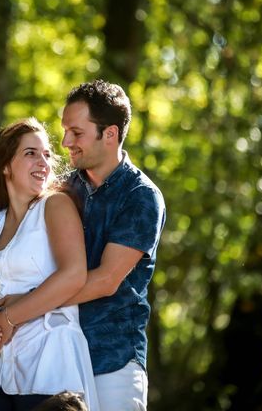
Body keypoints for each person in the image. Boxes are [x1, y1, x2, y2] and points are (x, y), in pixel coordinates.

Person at [0, 118, 99, 411]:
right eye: (31, 153)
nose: (44, 161)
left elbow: (73, 275)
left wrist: (8, 318)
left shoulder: (55, 206)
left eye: (47, 154)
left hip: (50, 367)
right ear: (5, 165)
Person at [59, 79, 166, 411]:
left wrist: (25, 304)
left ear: (110, 134)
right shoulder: (61, 190)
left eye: (76, 133)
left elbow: (106, 280)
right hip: (56, 355)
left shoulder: (142, 197)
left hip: (113, 362)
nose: (65, 142)